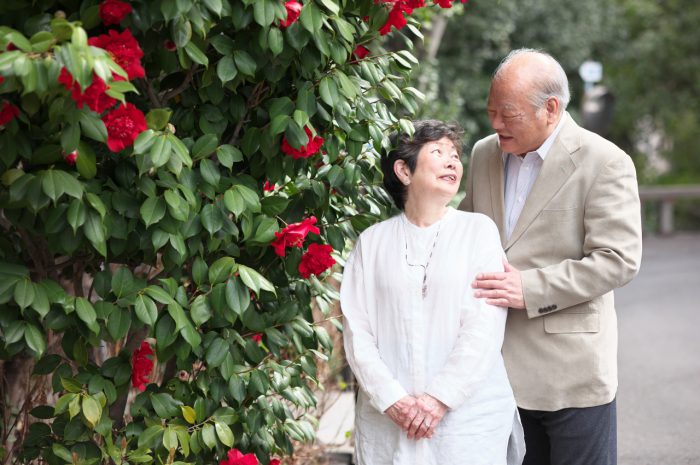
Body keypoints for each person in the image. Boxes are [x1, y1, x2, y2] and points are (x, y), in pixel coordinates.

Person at [460, 49, 643, 465]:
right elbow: (467, 234)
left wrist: (528, 287)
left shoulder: (605, 162)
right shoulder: (483, 154)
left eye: (507, 113)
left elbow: (618, 259)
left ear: (551, 109)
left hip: (571, 375)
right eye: (491, 111)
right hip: (493, 374)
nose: (495, 124)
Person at [341, 120, 524, 465]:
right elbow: (356, 330)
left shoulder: (478, 231)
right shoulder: (372, 243)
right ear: (404, 171)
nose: (452, 162)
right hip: (388, 420)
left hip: (466, 419)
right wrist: (394, 400)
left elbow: (484, 327)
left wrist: (438, 399)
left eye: (455, 155)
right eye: (438, 152)